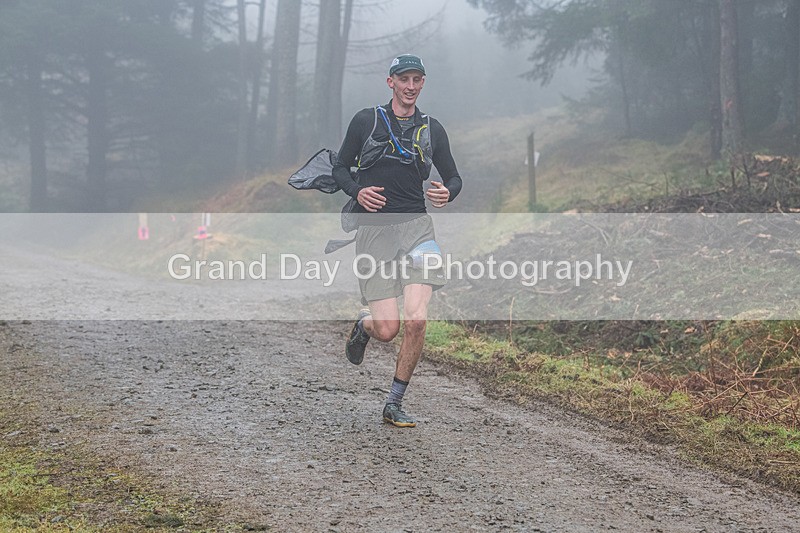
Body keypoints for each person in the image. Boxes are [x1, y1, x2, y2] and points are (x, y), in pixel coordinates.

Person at [332, 54, 463, 428]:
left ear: (423, 83)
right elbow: (340, 166)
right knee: (387, 330)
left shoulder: (432, 129)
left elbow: (454, 177)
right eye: (404, 79)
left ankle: (394, 402)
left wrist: (447, 193)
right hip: (375, 231)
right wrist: (357, 192)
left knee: (417, 320)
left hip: (418, 228)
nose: (410, 86)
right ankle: (364, 325)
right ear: (390, 82)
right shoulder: (366, 120)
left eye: (417, 79)